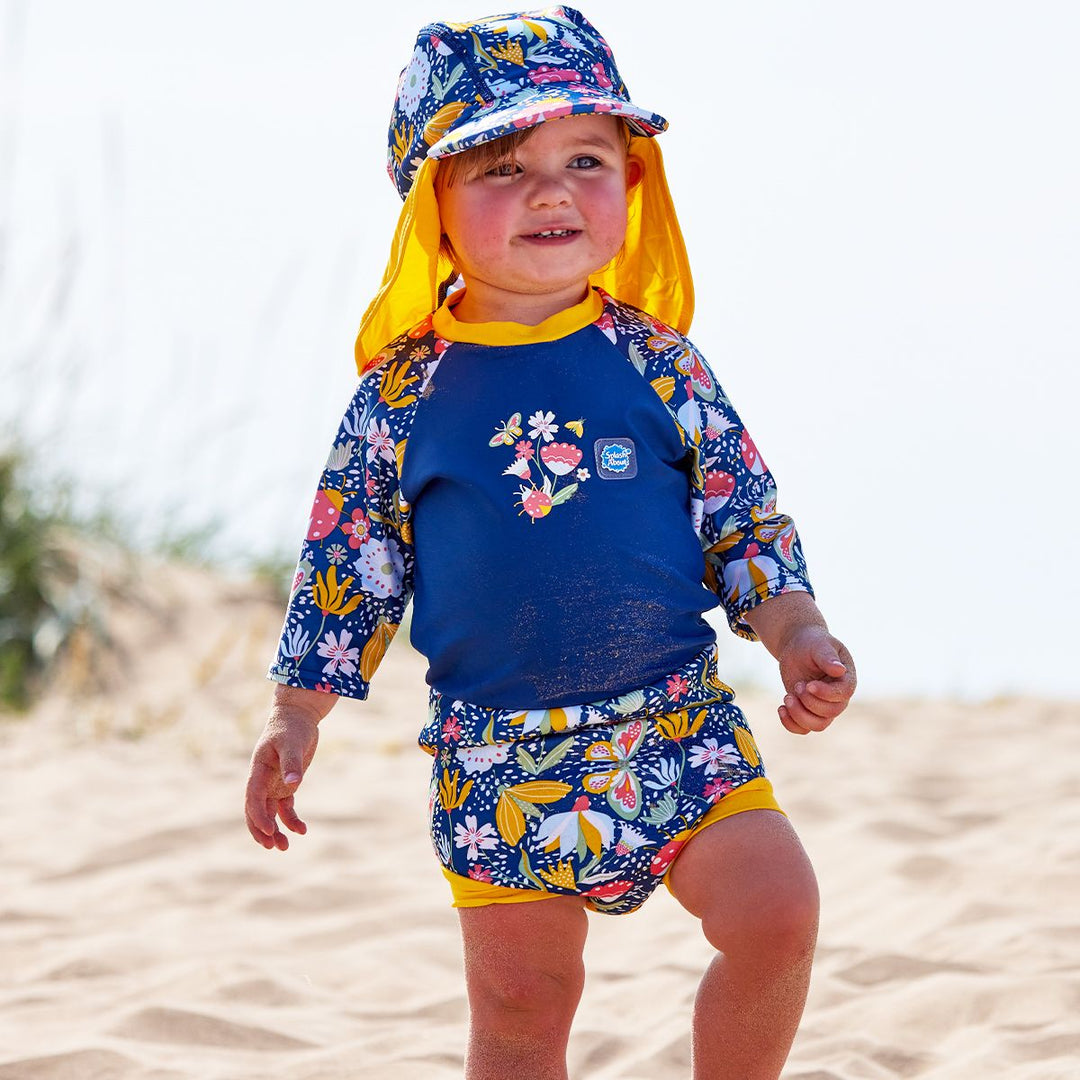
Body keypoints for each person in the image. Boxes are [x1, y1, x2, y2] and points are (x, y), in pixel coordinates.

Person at [245, 8, 855, 1079]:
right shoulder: (402, 398)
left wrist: (795, 626)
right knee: (525, 1007)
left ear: (633, 182)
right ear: (431, 203)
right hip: (499, 754)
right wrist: (299, 716)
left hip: (676, 725)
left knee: (777, 910)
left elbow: (742, 518)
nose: (550, 190)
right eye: (499, 165)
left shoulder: (660, 364)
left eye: (586, 159)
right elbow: (350, 566)